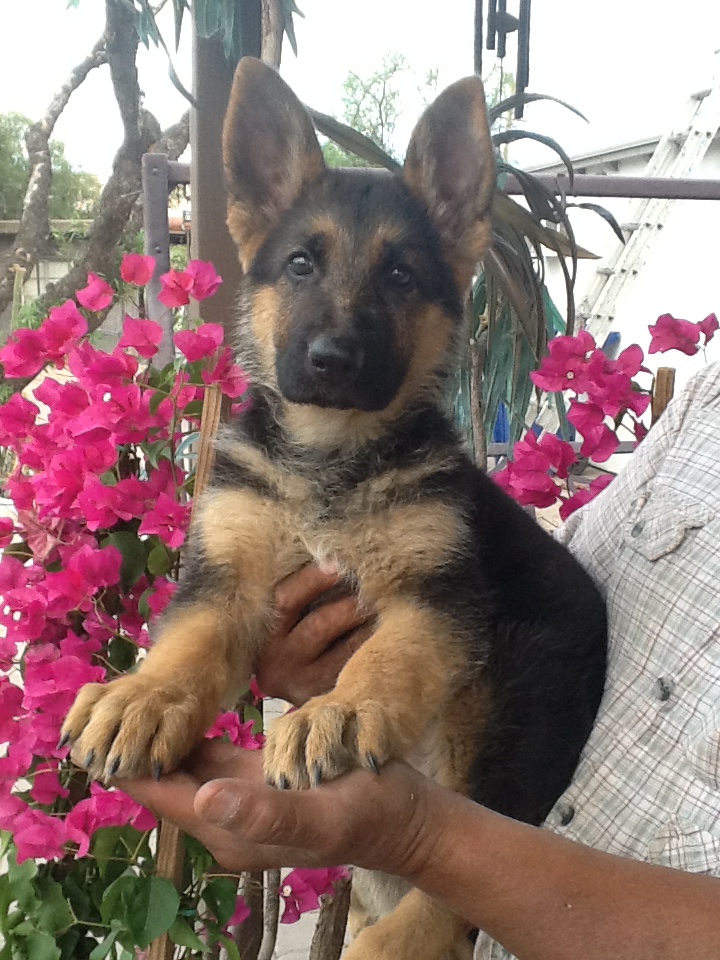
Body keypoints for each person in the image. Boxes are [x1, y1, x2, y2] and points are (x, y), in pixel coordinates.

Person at [124, 365, 720, 960]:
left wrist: (423, 841)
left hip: (462, 882)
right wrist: (196, 679)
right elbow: (551, 582)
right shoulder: (706, 393)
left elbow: (533, 633)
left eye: (402, 278)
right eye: (300, 264)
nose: (337, 336)